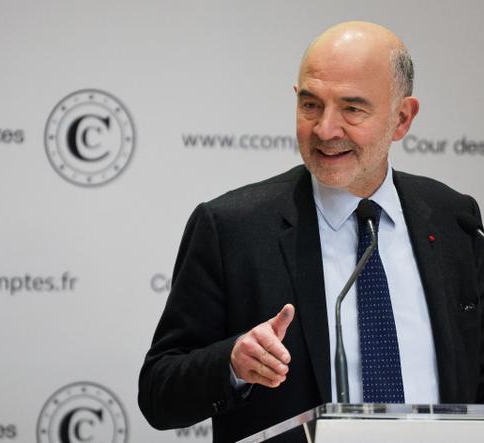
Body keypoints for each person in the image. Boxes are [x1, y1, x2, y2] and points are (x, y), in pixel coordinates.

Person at [138, 21, 484, 443]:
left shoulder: (453, 218)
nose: (325, 129)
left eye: (352, 109)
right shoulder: (232, 228)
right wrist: (231, 363)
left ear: (402, 118)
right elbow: (159, 392)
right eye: (310, 104)